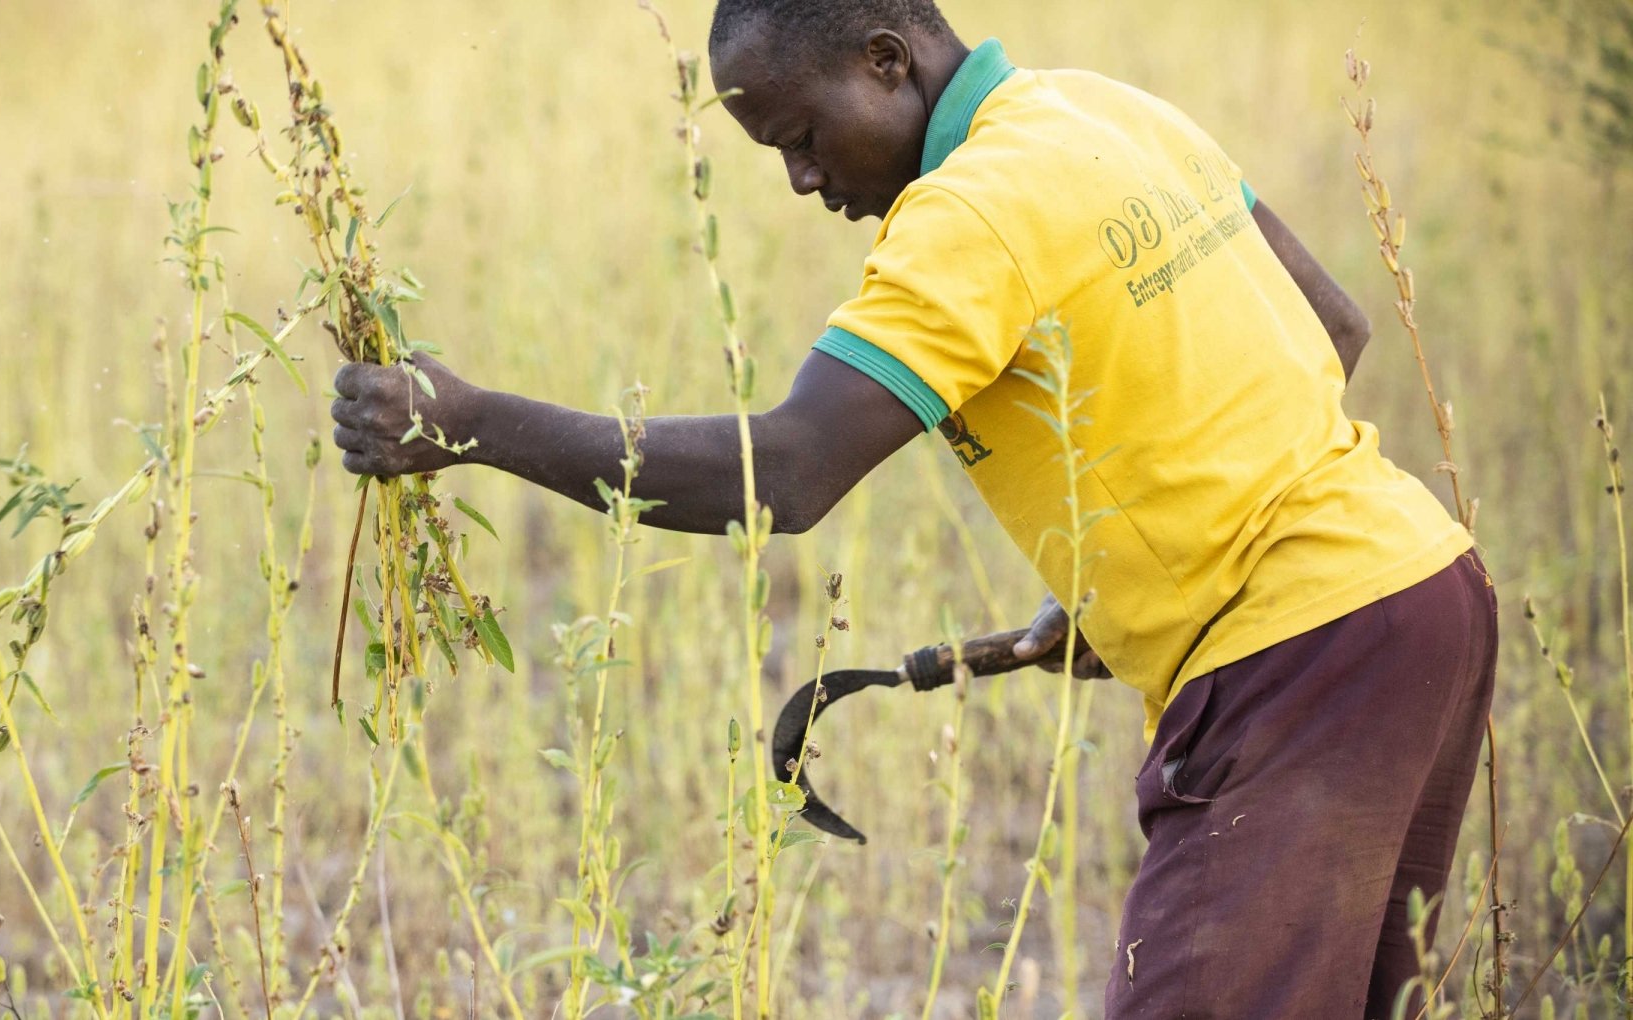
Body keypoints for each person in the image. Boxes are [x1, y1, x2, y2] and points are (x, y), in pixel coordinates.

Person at [329, 0, 1495, 1015]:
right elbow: (1331, 327)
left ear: (887, 63)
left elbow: (786, 473)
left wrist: (467, 424)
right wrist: (1139, 567)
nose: (800, 180)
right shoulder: (1100, 110)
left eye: (799, 136)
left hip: (1298, 658)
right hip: (1425, 597)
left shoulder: (966, 216)